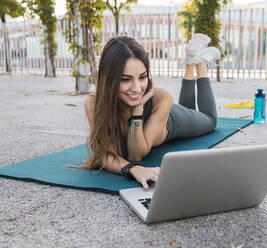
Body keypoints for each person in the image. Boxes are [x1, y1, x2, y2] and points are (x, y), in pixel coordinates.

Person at [84, 34, 221, 189]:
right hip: (154, 114)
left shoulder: (162, 98)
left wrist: (138, 109)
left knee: (210, 120)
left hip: (172, 120)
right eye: (125, 79)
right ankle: (190, 61)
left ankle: (201, 64)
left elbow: (136, 154)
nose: (137, 88)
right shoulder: (93, 103)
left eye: (142, 77)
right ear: (108, 79)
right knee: (190, 108)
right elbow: (102, 153)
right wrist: (133, 169)